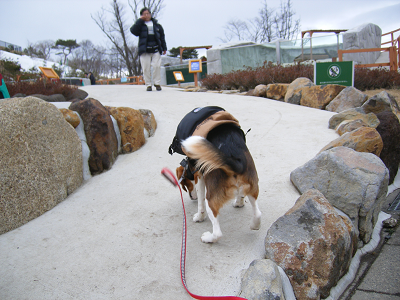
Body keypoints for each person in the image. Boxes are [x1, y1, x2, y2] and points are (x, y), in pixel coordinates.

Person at [130, 7, 167, 91]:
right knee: (146, 68)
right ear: (142, 15)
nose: (147, 15)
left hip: (156, 48)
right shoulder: (140, 25)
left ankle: (157, 83)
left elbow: (162, 37)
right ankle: (148, 84)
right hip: (145, 49)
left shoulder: (157, 25)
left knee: (156, 66)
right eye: (144, 14)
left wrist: (164, 48)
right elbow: (133, 31)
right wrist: (139, 21)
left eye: (148, 13)